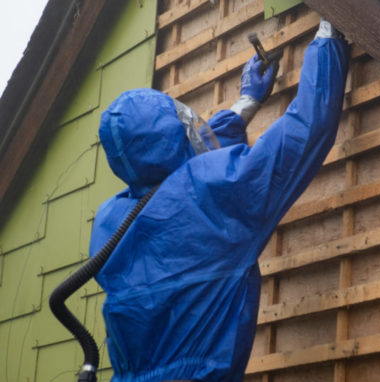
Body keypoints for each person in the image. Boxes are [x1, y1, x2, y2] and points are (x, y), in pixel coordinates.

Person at [89, 19, 349, 382]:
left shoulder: (108, 225)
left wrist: (246, 102)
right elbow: (305, 128)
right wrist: (330, 32)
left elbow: (181, 171)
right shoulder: (215, 195)